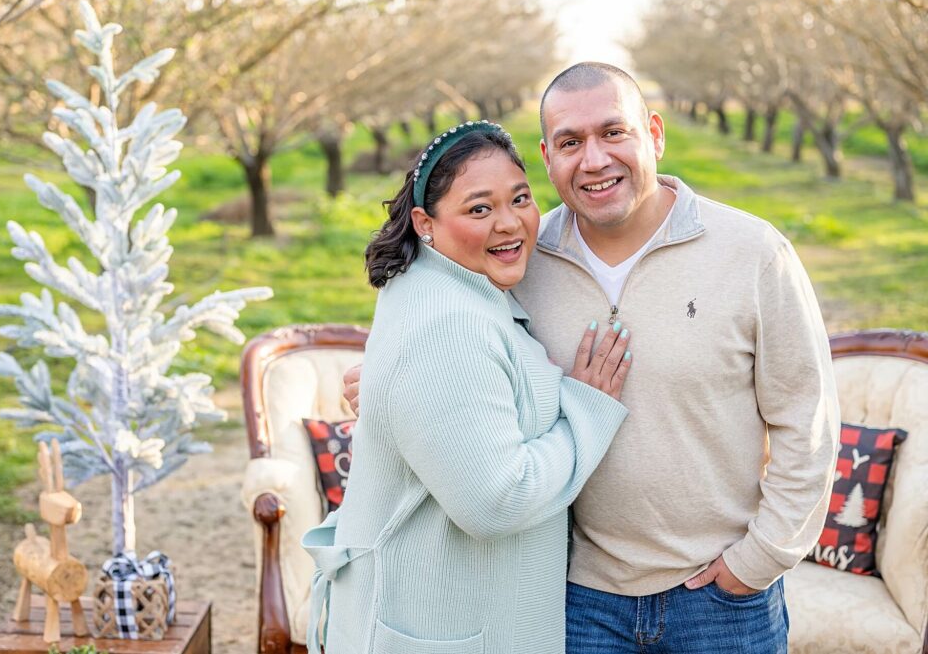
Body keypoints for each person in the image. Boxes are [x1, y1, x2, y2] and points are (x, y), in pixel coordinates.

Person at [345, 64, 840, 654]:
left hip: (720, 601)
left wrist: (757, 561)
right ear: (548, 158)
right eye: (570, 143)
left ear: (653, 134)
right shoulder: (519, 260)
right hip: (575, 601)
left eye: (614, 132)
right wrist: (382, 378)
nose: (594, 159)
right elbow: (447, 337)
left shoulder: (754, 253)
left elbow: (806, 422)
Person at [303, 121, 632, 654]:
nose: (510, 224)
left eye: (520, 198)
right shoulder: (447, 323)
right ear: (424, 223)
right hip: (438, 629)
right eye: (479, 209)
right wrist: (587, 410)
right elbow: (495, 503)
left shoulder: (450, 285)